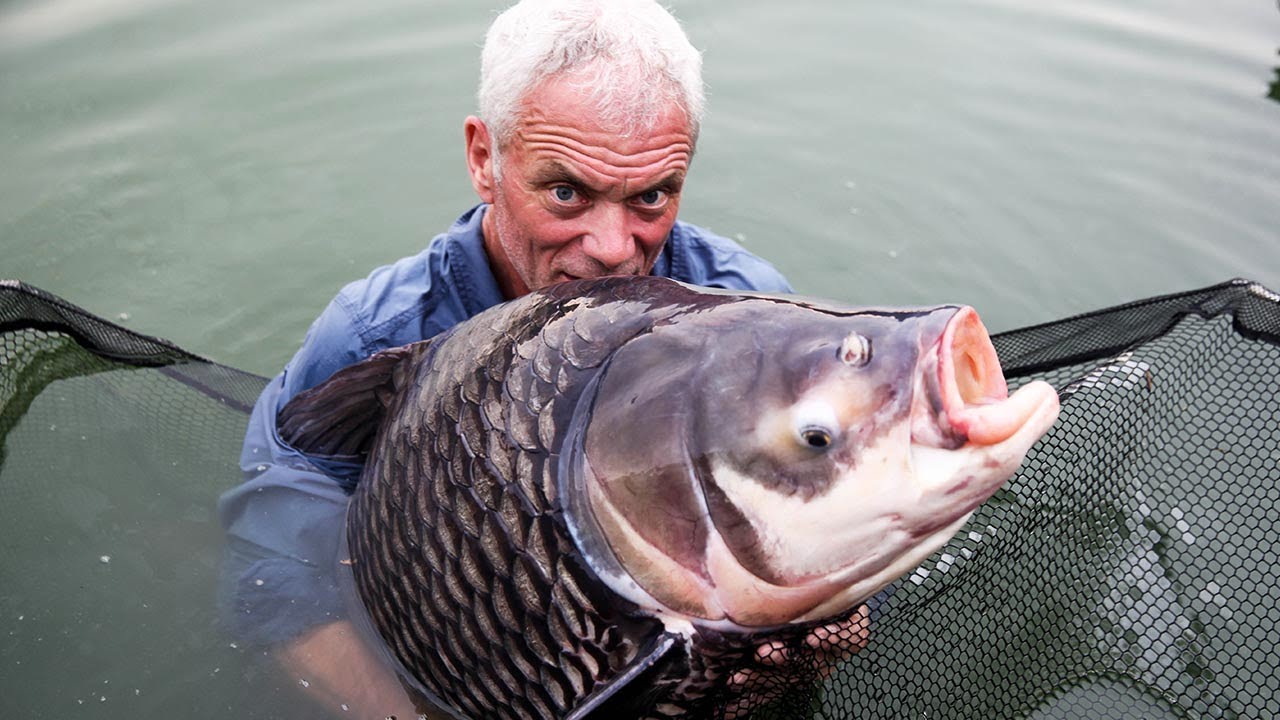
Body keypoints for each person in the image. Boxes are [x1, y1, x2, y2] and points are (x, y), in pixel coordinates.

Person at [218, 1, 864, 717]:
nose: (615, 246)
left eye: (651, 196)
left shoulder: (753, 319)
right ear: (483, 159)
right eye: (566, 193)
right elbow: (271, 568)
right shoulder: (377, 333)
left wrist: (837, 608)